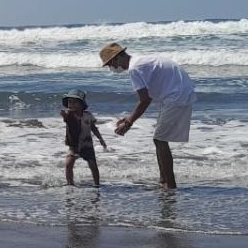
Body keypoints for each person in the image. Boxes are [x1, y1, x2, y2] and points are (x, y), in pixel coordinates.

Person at [100, 43, 196, 189]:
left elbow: (145, 100)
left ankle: (169, 184)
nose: (111, 68)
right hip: (179, 92)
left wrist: (128, 123)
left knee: (159, 140)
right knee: (159, 140)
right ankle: (163, 180)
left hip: (176, 96)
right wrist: (129, 118)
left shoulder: (134, 68)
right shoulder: (141, 61)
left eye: (110, 64)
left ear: (117, 58)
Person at [60, 89, 107, 187]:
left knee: (93, 165)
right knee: (68, 164)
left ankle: (97, 184)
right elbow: (66, 118)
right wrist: (64, 115)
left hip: (87, 145)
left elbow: (93, 128)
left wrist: (101, 139)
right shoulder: (69, 115)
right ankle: (70, 184)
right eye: (69, 102)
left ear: (81, 104)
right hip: (74, 145)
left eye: (74, 102)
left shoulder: (88, 116)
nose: (71, 104)